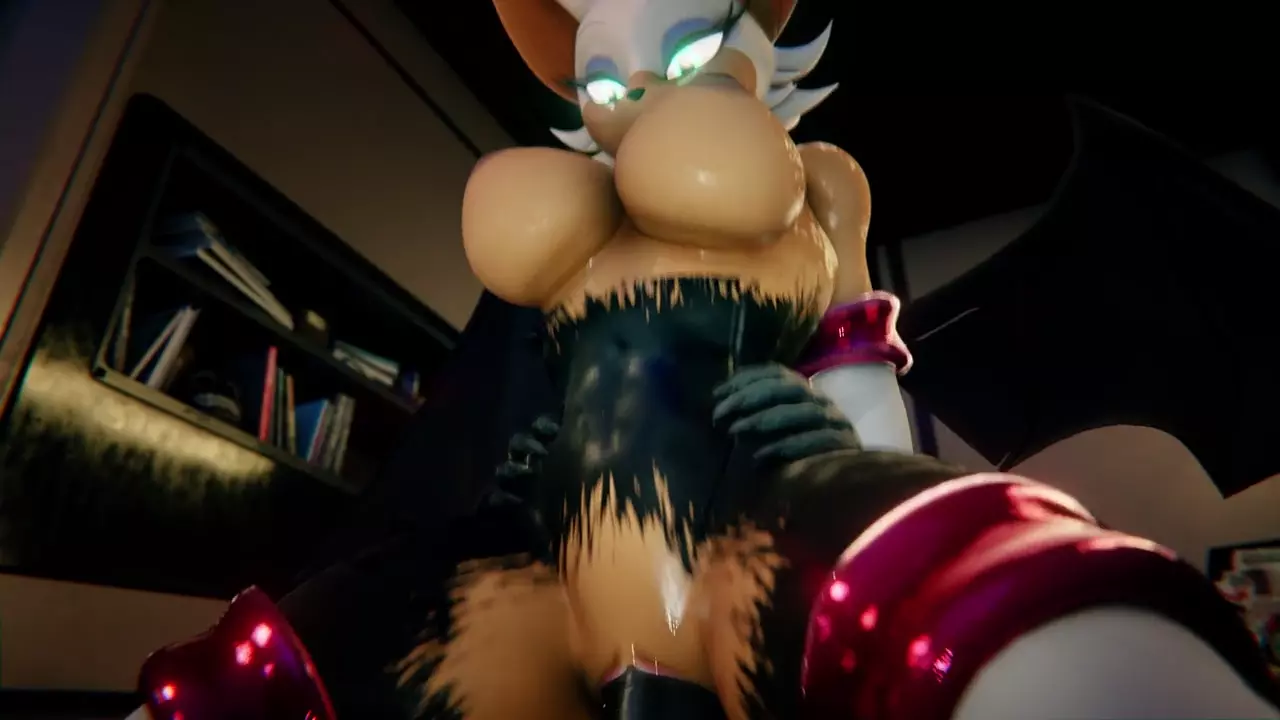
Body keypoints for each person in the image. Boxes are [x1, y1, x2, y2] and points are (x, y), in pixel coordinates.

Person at [126, 1, 1280, 718]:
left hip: (748, 518)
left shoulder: (814, 183)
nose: (638, 96)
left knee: (944, 609)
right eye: (606, 82)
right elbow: (542, 380)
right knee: (314, 645)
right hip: (560, 563)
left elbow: (852, 351)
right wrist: (540, 449)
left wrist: (845, 457)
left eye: (679, 54)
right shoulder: (576, 220)